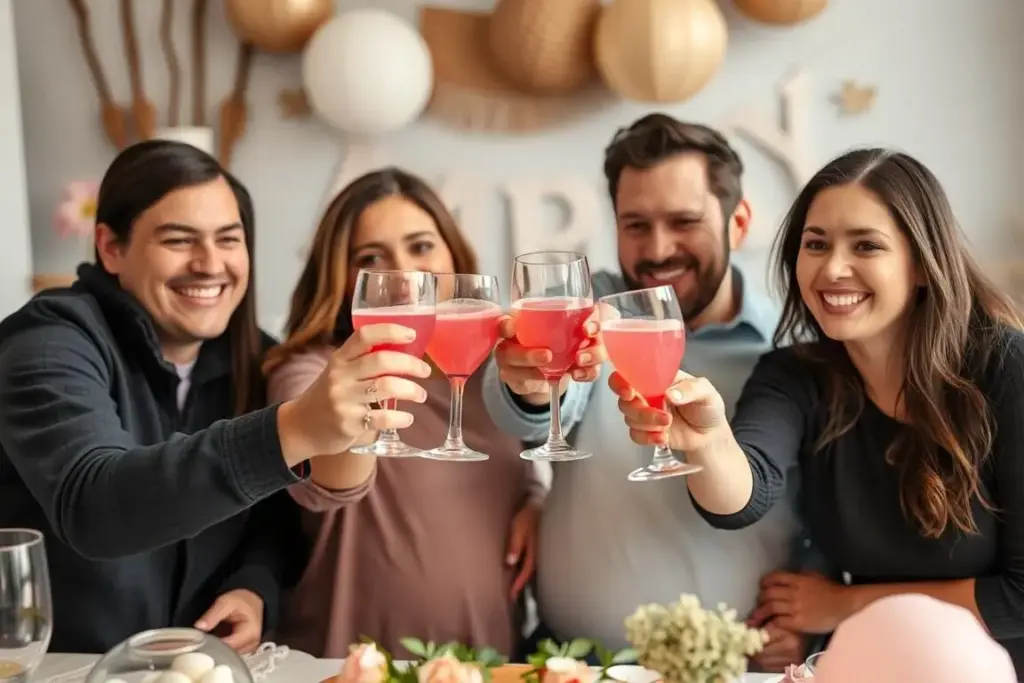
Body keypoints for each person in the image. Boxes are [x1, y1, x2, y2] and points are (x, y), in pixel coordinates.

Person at [0, 142, 430, 654]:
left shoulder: (252, 358)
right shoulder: (49, 341)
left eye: (229, 239)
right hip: (54, 669)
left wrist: (254, 588)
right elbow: (93, 504)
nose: (209, 264)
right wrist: (289, 430)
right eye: (179, 240)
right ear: (111, 247)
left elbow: (273, 524)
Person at [611, 147, 1024, 670]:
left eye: (866, 246)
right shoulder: (794, 375)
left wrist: (842, 606)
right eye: (816, 244)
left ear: (921, 264)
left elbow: (1019, 596)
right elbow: (742, 499)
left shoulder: (1007, 369)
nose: (833, 268)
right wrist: (708, 441)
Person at [482, 114, 810, 669]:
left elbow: (829, 508)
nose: (658, 250)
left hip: (728, 673)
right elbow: (529, 413)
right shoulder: (590, 310)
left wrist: (810, 615)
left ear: (739, 222)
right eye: (636, 225)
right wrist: (532, 384)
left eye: (684, 221)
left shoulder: (791, 351)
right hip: (572, 667)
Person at [264, 167, 547, 660]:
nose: (403, 272)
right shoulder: (312, 373)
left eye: (420, 247)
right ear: (342, 279)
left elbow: (516, 467)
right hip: (346, 666)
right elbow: (327, 482)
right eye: (371, 257)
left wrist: (539, 500)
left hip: (486, 664)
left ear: (453, 255)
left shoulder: (493, 371)